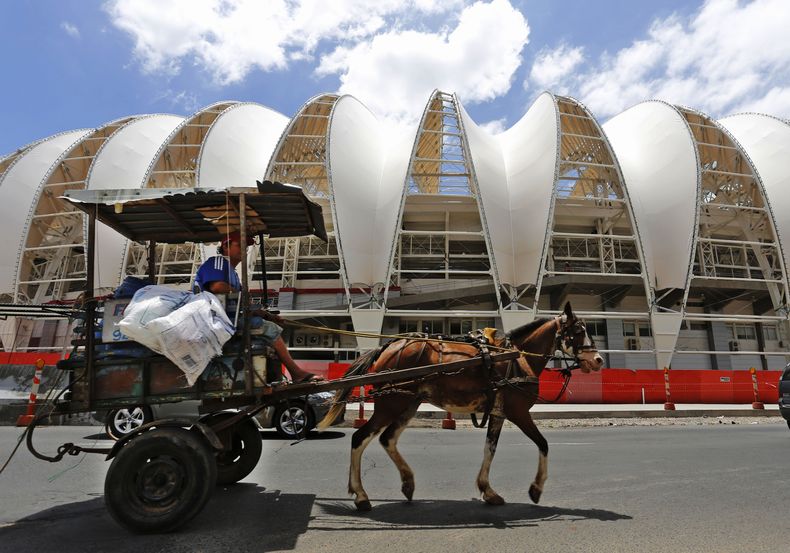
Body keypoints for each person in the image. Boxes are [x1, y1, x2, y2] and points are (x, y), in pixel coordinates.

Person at [195, 230, 323, 383]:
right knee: (270, 329)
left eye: (246, 246)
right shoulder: (217, 262)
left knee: (269, 326)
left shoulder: (233, 274)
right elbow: (217, 286)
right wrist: (243, 297)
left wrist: (268, 315)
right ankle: (296, 373)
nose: (245, 249)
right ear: (226, 246)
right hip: (215, 320)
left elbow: (243, 303)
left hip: (227, 319)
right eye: (240, 245)